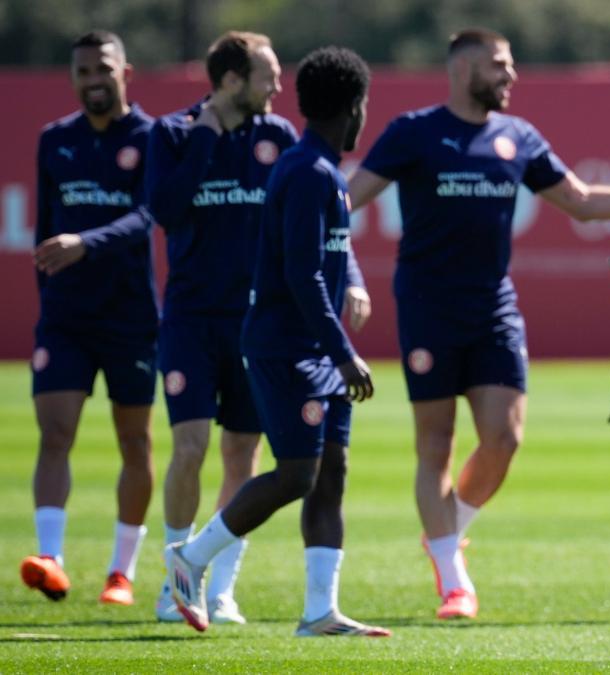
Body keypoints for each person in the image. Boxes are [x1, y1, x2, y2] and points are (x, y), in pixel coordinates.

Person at [347, 27, 610, 620]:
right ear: (464, 67)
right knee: (436, 444)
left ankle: (443, 533)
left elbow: (579, 200)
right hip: (428, 308)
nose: (512, 76)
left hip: (494, 309)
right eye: (501, 66)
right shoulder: (413, 133)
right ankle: (454, 579)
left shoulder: (517, 136)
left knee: (504, 439)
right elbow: (346, 202)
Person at [146, 30, 371, 625]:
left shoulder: (302, 157)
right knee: (291, 471)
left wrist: (352, 280)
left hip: (304, 342)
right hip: (273, 339)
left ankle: (319, 610)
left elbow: (327, 251)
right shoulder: (305, 171)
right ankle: (188, 561)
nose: (277, 84)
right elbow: (301, 271)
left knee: (328, 472)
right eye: (267, 72)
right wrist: (344, 352)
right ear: (355, 107)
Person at [21, 30, 157, 607]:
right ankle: (50, 558)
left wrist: (88, 242)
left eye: (102, 68)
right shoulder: (55, 140)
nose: (92, 80)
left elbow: (150, 215)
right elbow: (44, 229)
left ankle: (120, 574)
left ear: (126, 70)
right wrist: (47, 293)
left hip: (128, 316)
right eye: (81, 72)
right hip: (66, 318)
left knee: (135, 442)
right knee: (54, 435)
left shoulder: (152, 138)